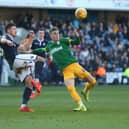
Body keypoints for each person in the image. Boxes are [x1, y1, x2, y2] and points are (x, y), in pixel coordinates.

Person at [32, 26, 96, 111]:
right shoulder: (50, 45)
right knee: (70, 88)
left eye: (58, 33)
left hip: (74, 65)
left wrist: (77, 36)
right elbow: (43, 49)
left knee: (93, 81)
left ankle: (85, 91)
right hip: (65, 70)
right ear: (51, 35)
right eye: (55, 34)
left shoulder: (63, 40)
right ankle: (81, 105)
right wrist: (32, 51)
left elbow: (77, 42)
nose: (57, 35)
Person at [0, 23, 46, 112]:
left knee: (28, 82)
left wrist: (31, 39)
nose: (15, 30)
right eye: (13, 29)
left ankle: (24, 105)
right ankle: (37, 81)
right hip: (15, 60)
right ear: (8, 30)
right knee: (39, 58)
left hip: (16, 65)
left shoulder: (13, 41)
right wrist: (6, 41)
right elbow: (1, 39)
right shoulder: (5, 37)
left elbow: (25, 48)